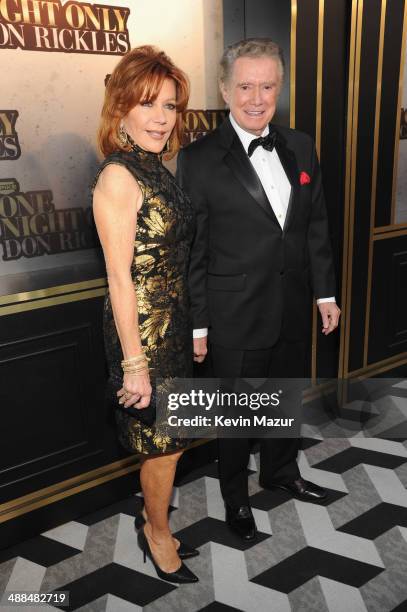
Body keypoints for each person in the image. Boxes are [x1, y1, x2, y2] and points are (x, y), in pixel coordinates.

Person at [177, 38, 341, 541]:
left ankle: (281, 472)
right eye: (245, 86)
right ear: (225, 89)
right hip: (233, 315)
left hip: (292, 305)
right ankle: (236, 500)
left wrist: (325, 294)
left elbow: (315, 226)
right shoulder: (198, 159)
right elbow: (194, 250)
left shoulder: (302, 144)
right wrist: (199, 323)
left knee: (285, 396)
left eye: (267, 86)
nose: (256, 97)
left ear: (279, 88)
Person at [92, 45, 198, 583]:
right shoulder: (118, 177)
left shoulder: (154, 166)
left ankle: (154, 521)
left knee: (173, 443)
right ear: (121, 110)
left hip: (172, 323)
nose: (162, 117)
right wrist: (134, 362)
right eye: (149, 104)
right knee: (163, 446)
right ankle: (156, 533)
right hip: (143, 334)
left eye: (172, 106)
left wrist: (192, 328)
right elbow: (118, 279)